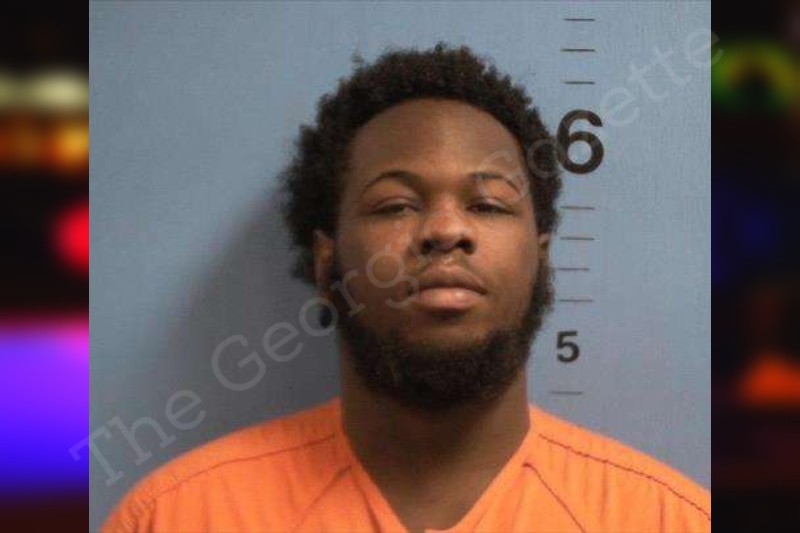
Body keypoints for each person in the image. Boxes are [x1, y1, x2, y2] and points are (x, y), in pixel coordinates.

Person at [103, 43, 710, 533]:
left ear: (541, 264)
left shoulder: (667, 520)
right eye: (395, 204)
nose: (446, 230)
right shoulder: (177, 516)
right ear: (327, 264)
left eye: (488, 204)